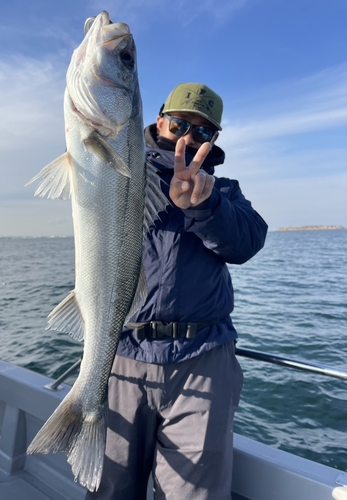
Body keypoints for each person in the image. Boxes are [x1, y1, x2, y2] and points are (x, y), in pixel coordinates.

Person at [86, 83, 268, 500]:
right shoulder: (120, 173)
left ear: (214, 141)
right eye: (180, 124)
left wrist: (204, 208)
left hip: (203, 358)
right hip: (124, 353)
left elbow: (248, 241)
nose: (188, 137)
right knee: (110, 489)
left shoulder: (224, 192)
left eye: (202, 132)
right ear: (159, 119)